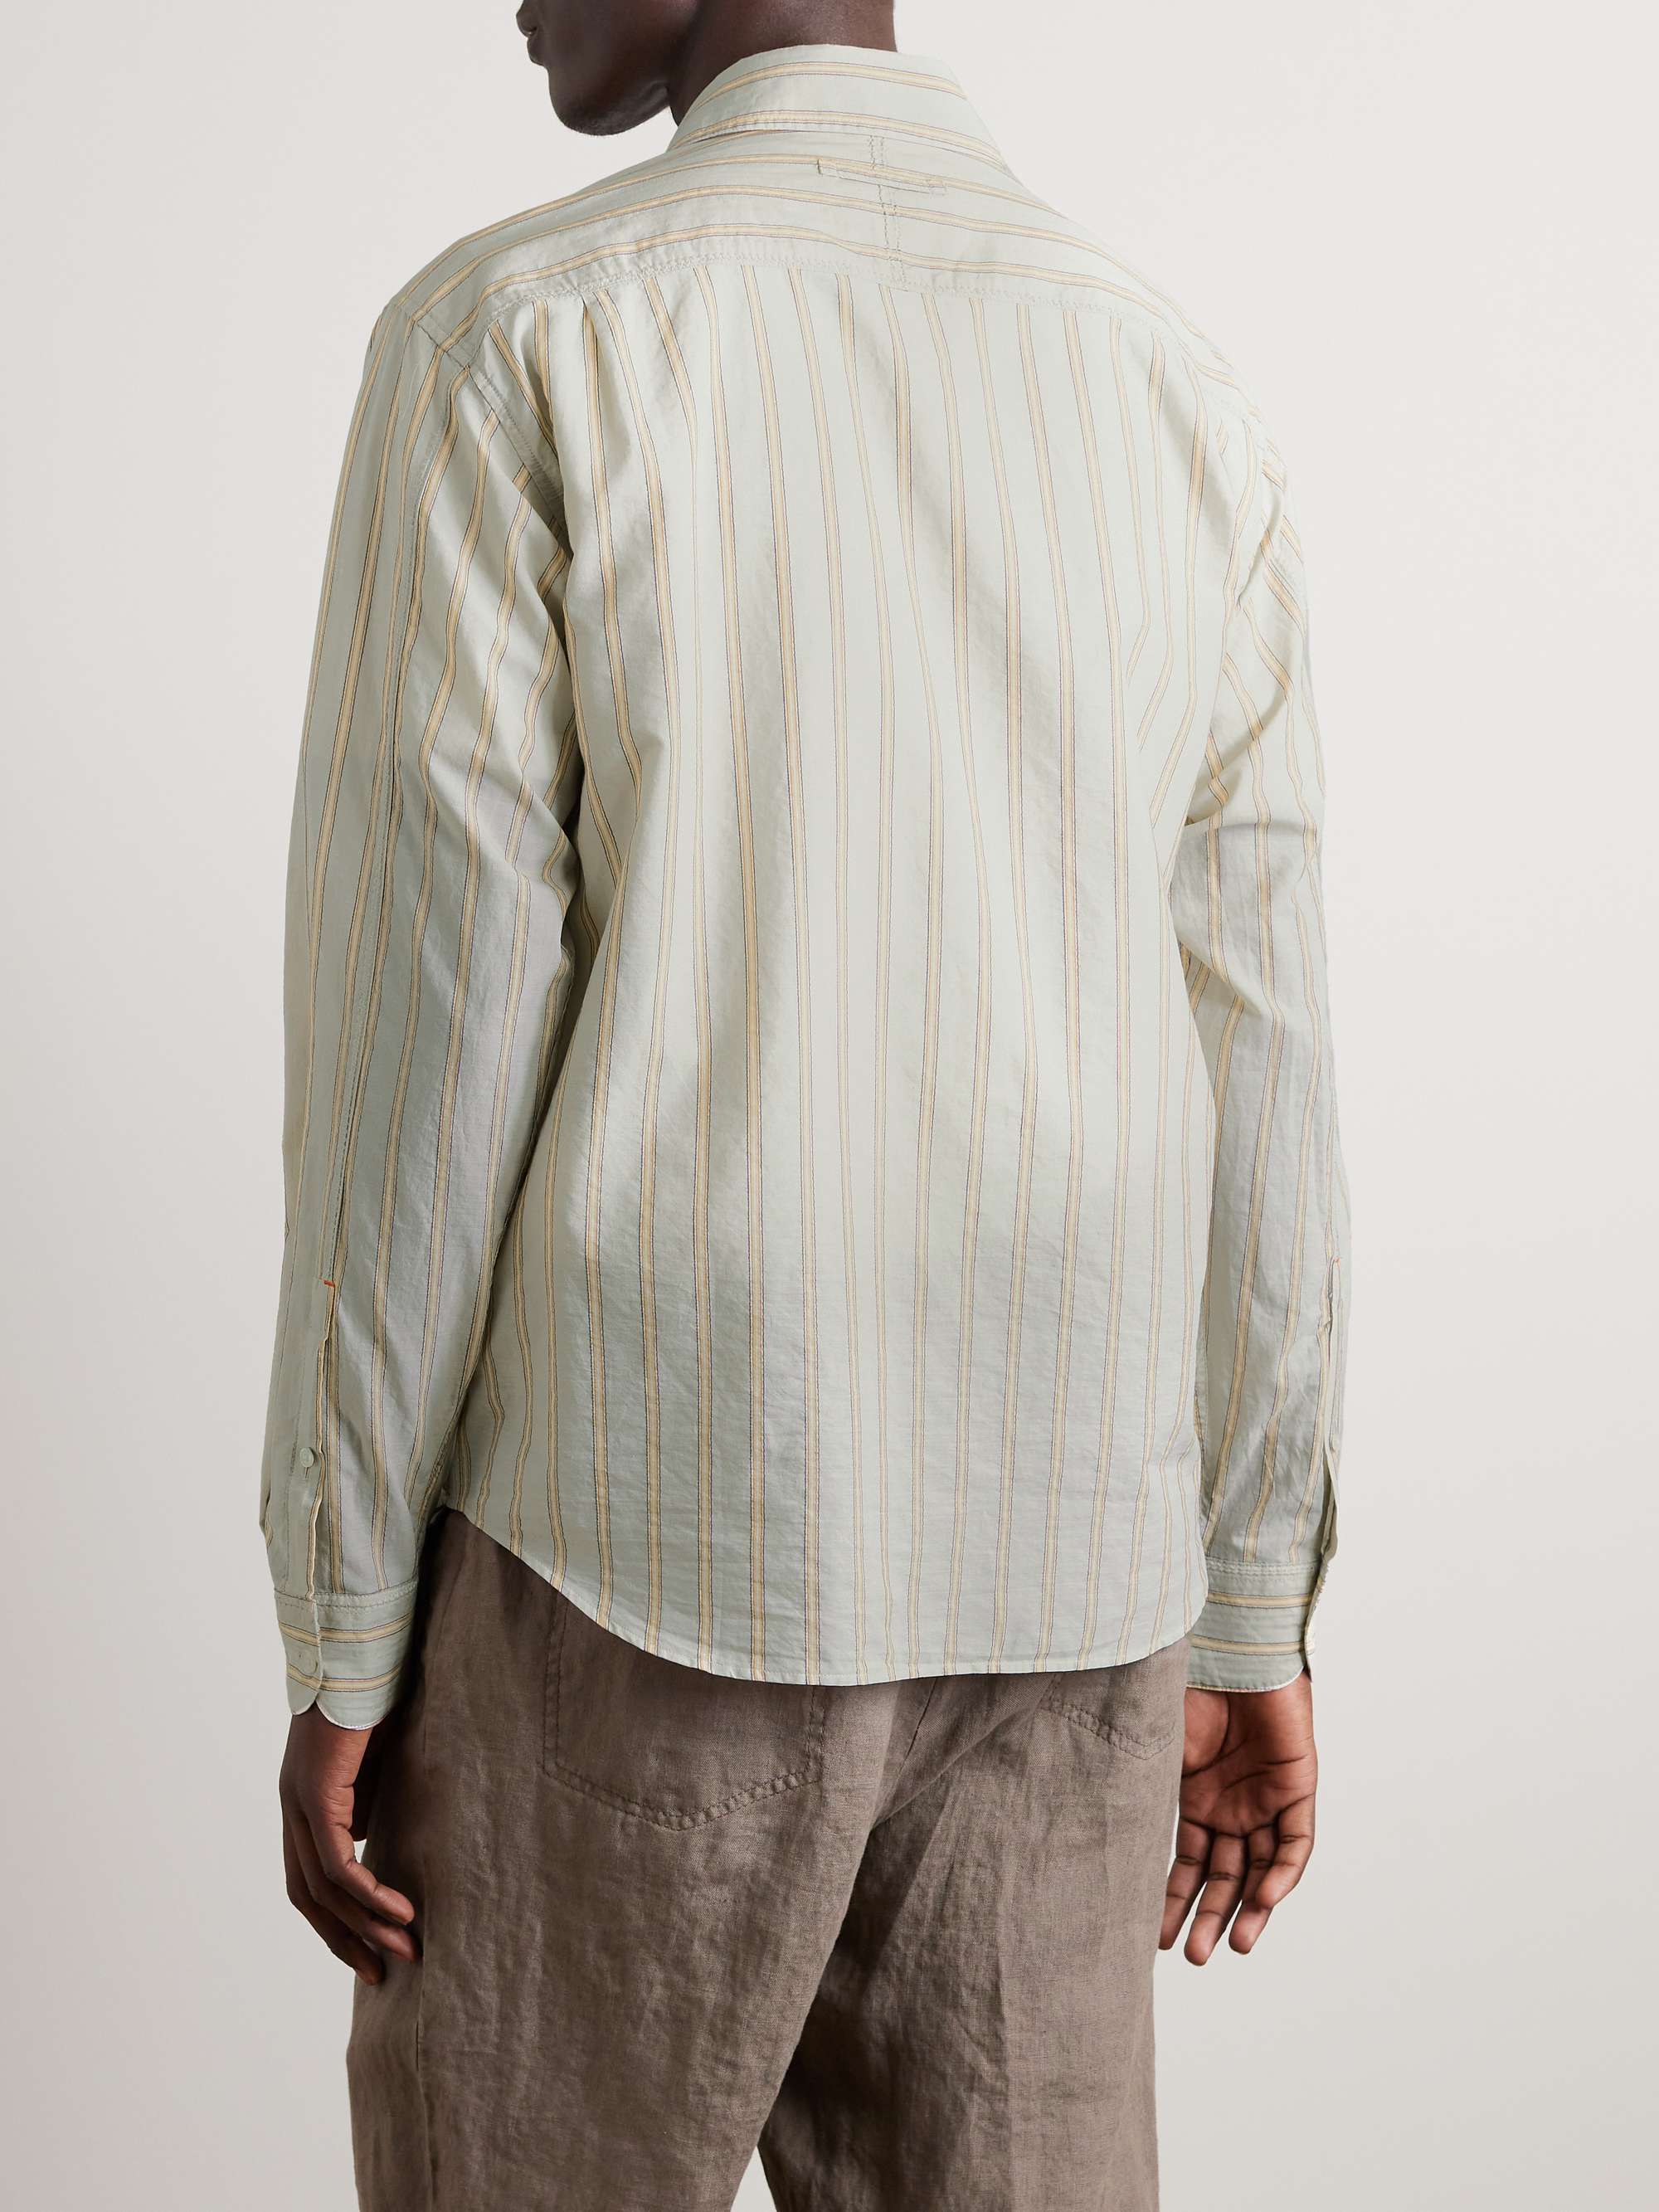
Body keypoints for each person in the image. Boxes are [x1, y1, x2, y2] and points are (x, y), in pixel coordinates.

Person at [265, 3, 1350, 2205]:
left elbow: (419, 1046)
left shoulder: (515, 339)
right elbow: (1259, 1036)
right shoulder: (1168, 387)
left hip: (635, 1552)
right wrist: (1251, 1597)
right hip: (1074, 1574)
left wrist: (347, 1613)